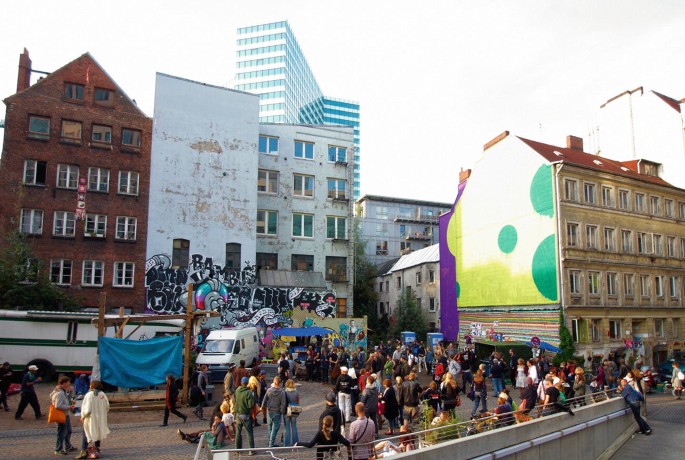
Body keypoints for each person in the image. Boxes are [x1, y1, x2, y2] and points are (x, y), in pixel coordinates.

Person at [75, 380, 110, 459]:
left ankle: (83, 451)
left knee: (86, 434)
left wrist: (83, 416)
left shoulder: (89, 395)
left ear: (92, 386)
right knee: (98, 433)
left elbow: (87, 408)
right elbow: (107, 406)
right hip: (100, 418)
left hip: (91, 418)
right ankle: (96, 449)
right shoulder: (103, 394)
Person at [50, 375, 77, 455]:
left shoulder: (62, 391)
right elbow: (58, 406)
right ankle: (58, 449)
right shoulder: (60, 393)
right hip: (61, 415)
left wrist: (72, 392)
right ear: (64, 383)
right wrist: (69, 406)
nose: (69, 384)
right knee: (61, 433)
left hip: (65, 414)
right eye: (68, 382)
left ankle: (68, 446)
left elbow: (70, 400)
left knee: (68, 431)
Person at [261, 376, 286, 448]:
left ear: (274, 382)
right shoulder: (282, 392)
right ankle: (271, 443)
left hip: (269, 411)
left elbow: (264, 399)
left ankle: (270, 441)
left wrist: (262, 407)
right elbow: (283, 404)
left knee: (270, 427)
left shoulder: (269, 390)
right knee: (275, 428)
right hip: (277, 412)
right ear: (280, 383)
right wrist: (283, 412)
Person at [234, 377, 255, 451]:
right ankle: (251, 450)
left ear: (241, 382)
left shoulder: (237, 390)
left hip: (238, 415)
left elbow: (235, 400)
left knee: (238, 433)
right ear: (247, 383)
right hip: (246, 415)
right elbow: (250, 405)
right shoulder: (248, 392)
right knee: (249, 433)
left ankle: (237, 449)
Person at [283, 379, 300, 447]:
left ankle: (287, 444)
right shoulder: (296, 392)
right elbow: (298, 402)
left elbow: (283, 402)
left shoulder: (285, 392)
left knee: (287, 427)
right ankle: (295, 442)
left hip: (287, 410)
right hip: (294, 410)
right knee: (294, 426)